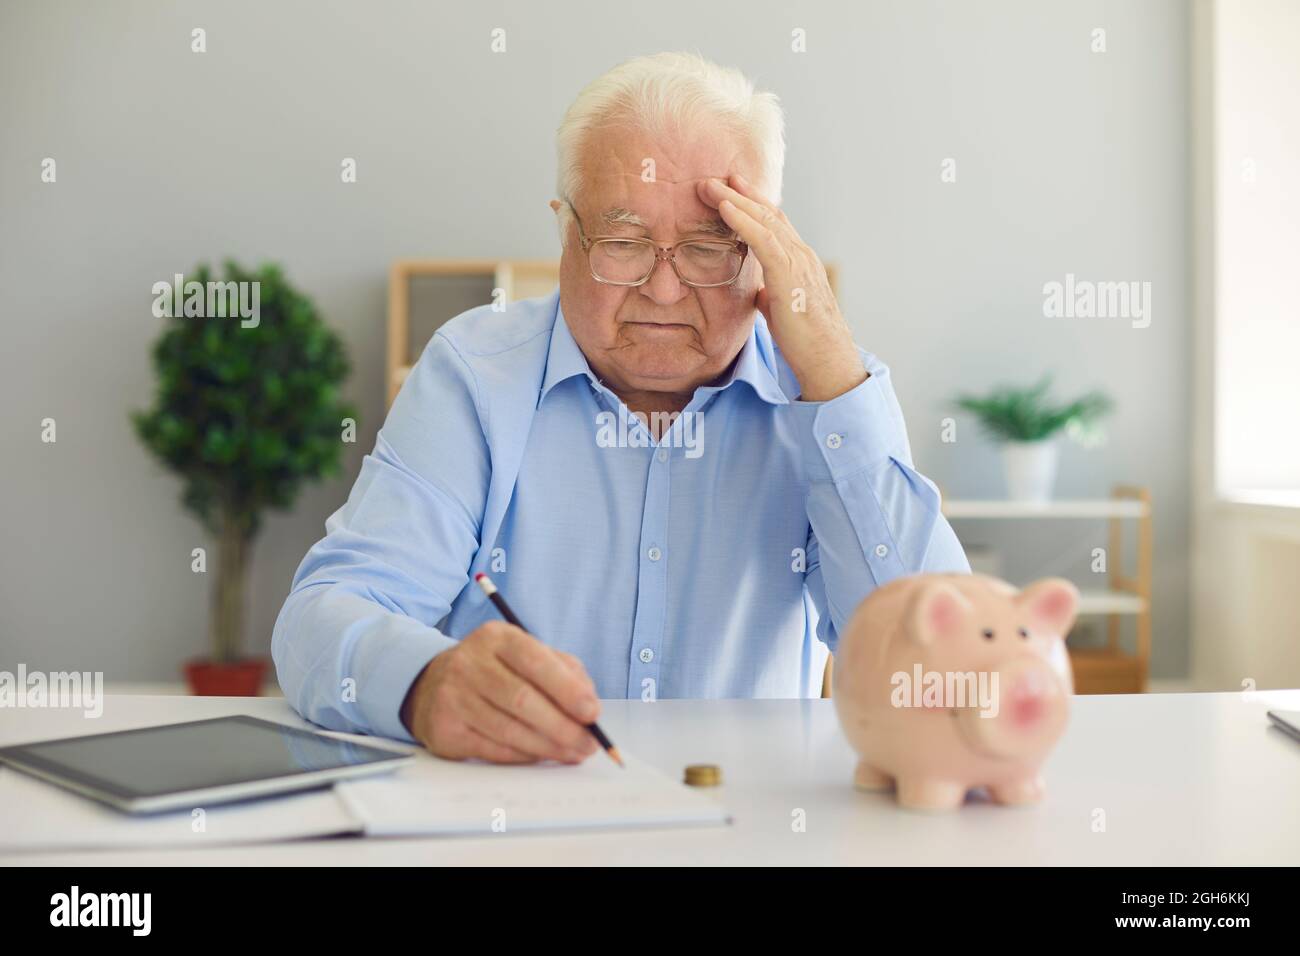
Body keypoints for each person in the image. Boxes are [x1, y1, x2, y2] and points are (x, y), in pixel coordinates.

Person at [272, 51, 969, 765]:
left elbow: (945, 679)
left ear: (769, 246)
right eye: (624, 242)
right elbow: (322, 621)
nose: (663, 291)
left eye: (708, 246)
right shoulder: (475, 375)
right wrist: (422, 685)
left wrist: (831, 370)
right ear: (564, 231)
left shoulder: (828, 400)